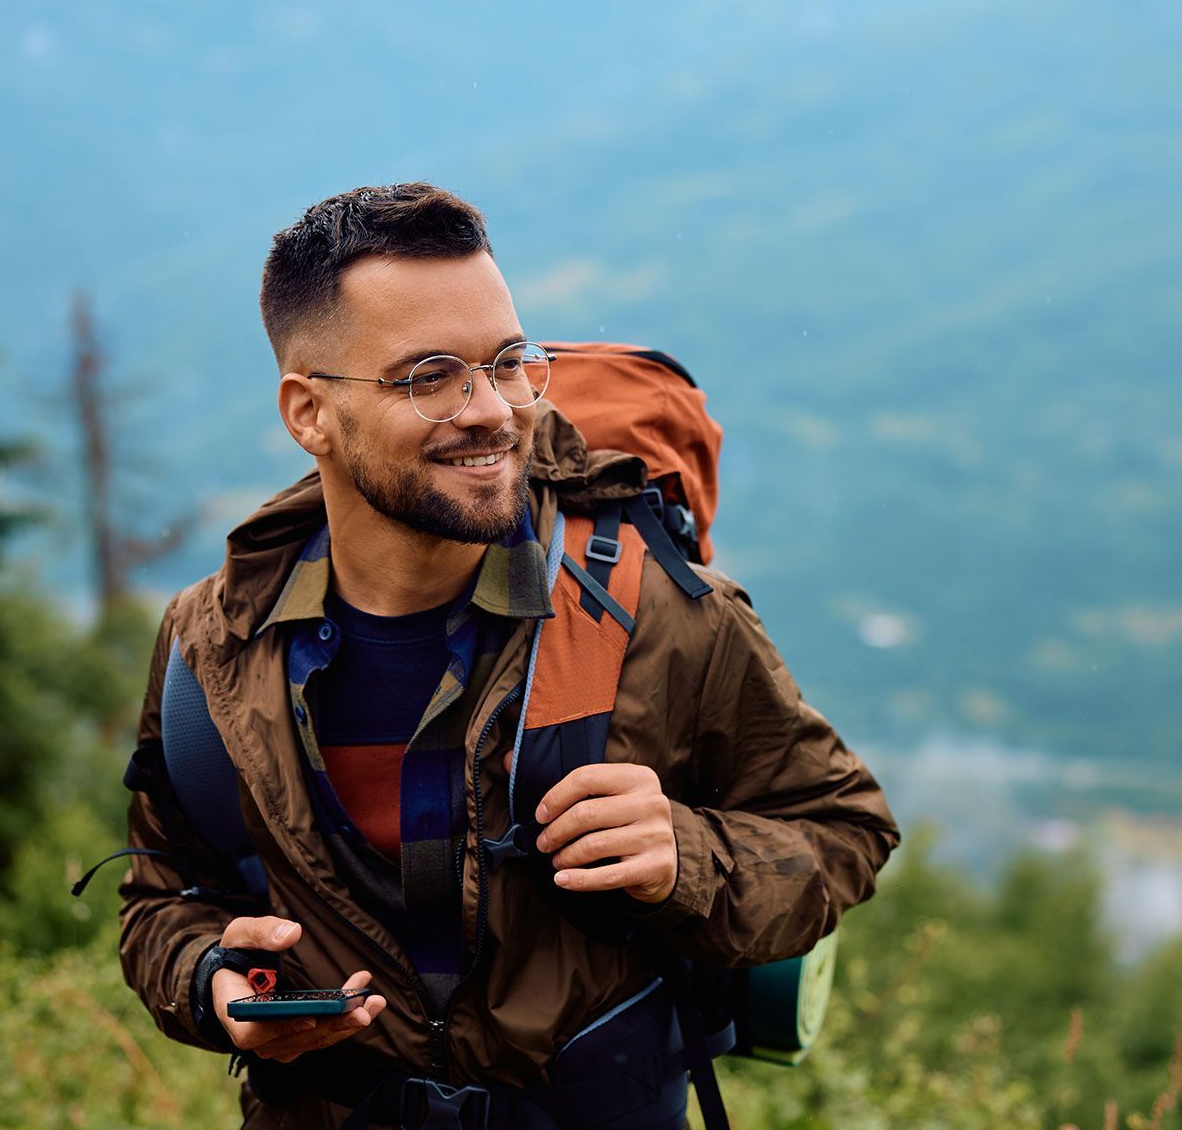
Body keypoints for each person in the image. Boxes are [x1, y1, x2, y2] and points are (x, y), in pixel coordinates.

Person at [116, 182, 900, 1129]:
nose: (493, 410)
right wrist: (212, 984)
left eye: (510, 362)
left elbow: (843, 827)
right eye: (430, 375)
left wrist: (685, 856)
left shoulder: (657, 612)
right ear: (309, 412)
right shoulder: (216, 645)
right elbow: (164, 893)